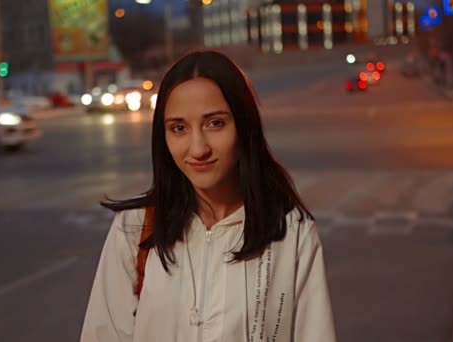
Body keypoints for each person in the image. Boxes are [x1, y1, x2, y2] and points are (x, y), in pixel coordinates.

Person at [80, 50, 336, 342]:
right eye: (179, 128)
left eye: (215, 123)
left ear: (244, 126)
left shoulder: (290, 233)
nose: (198, 148)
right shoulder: (135, 228)